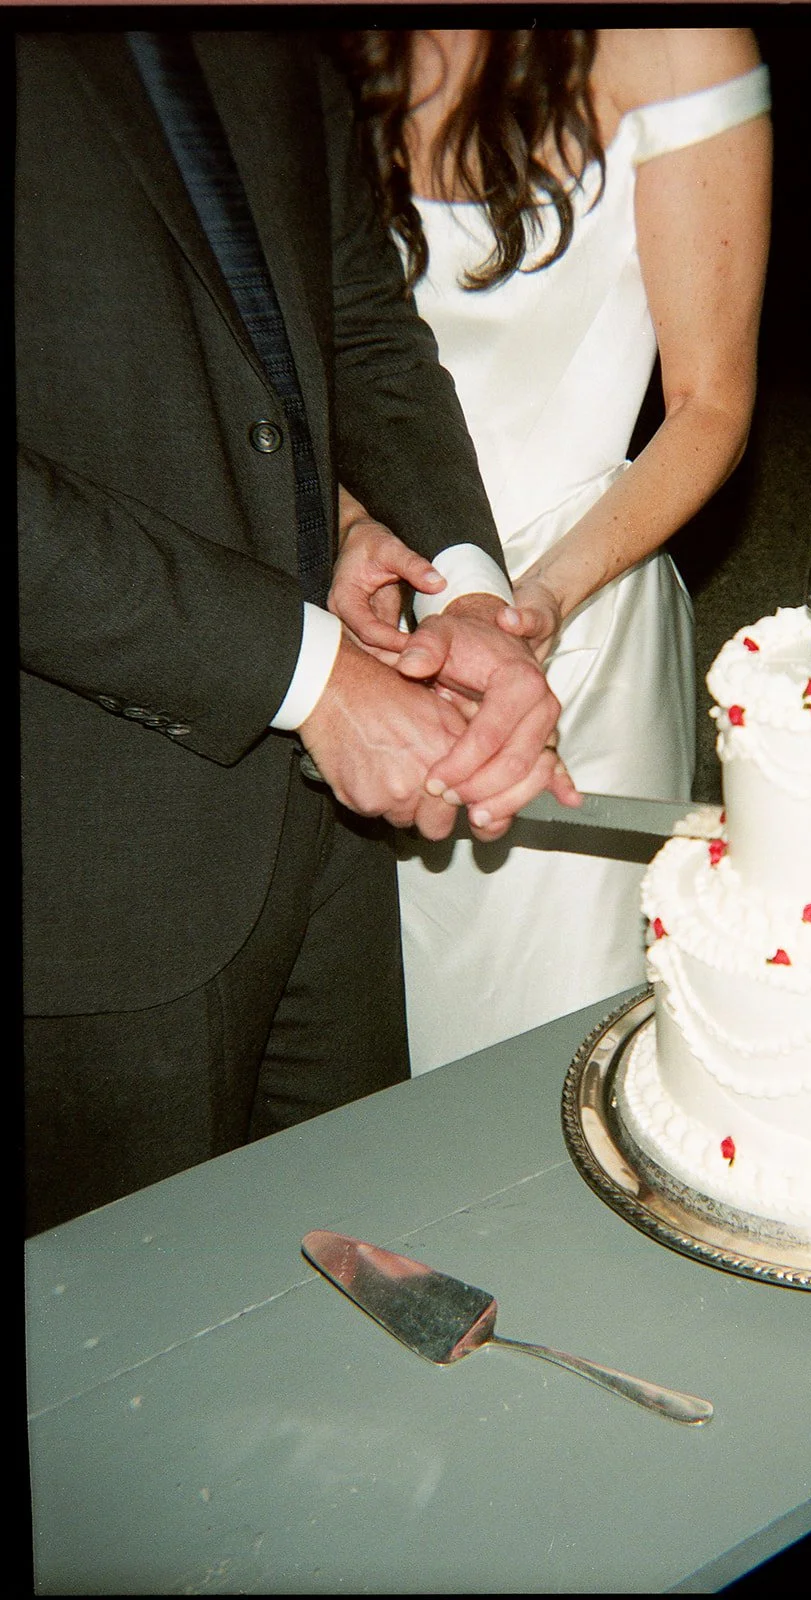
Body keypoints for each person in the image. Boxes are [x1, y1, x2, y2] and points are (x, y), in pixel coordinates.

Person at [18, 29, 575, 1235]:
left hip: (323, 825)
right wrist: (305, 671)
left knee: (357, 1237)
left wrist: (460, 588)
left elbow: (351, 317)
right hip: (81, 843)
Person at [334, 26, 772, 1072]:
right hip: (365, 603)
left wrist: (535, 604)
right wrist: (351, 532)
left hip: (573, 605)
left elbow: (710, 402)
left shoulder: (671, 40)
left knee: (559, 1057)